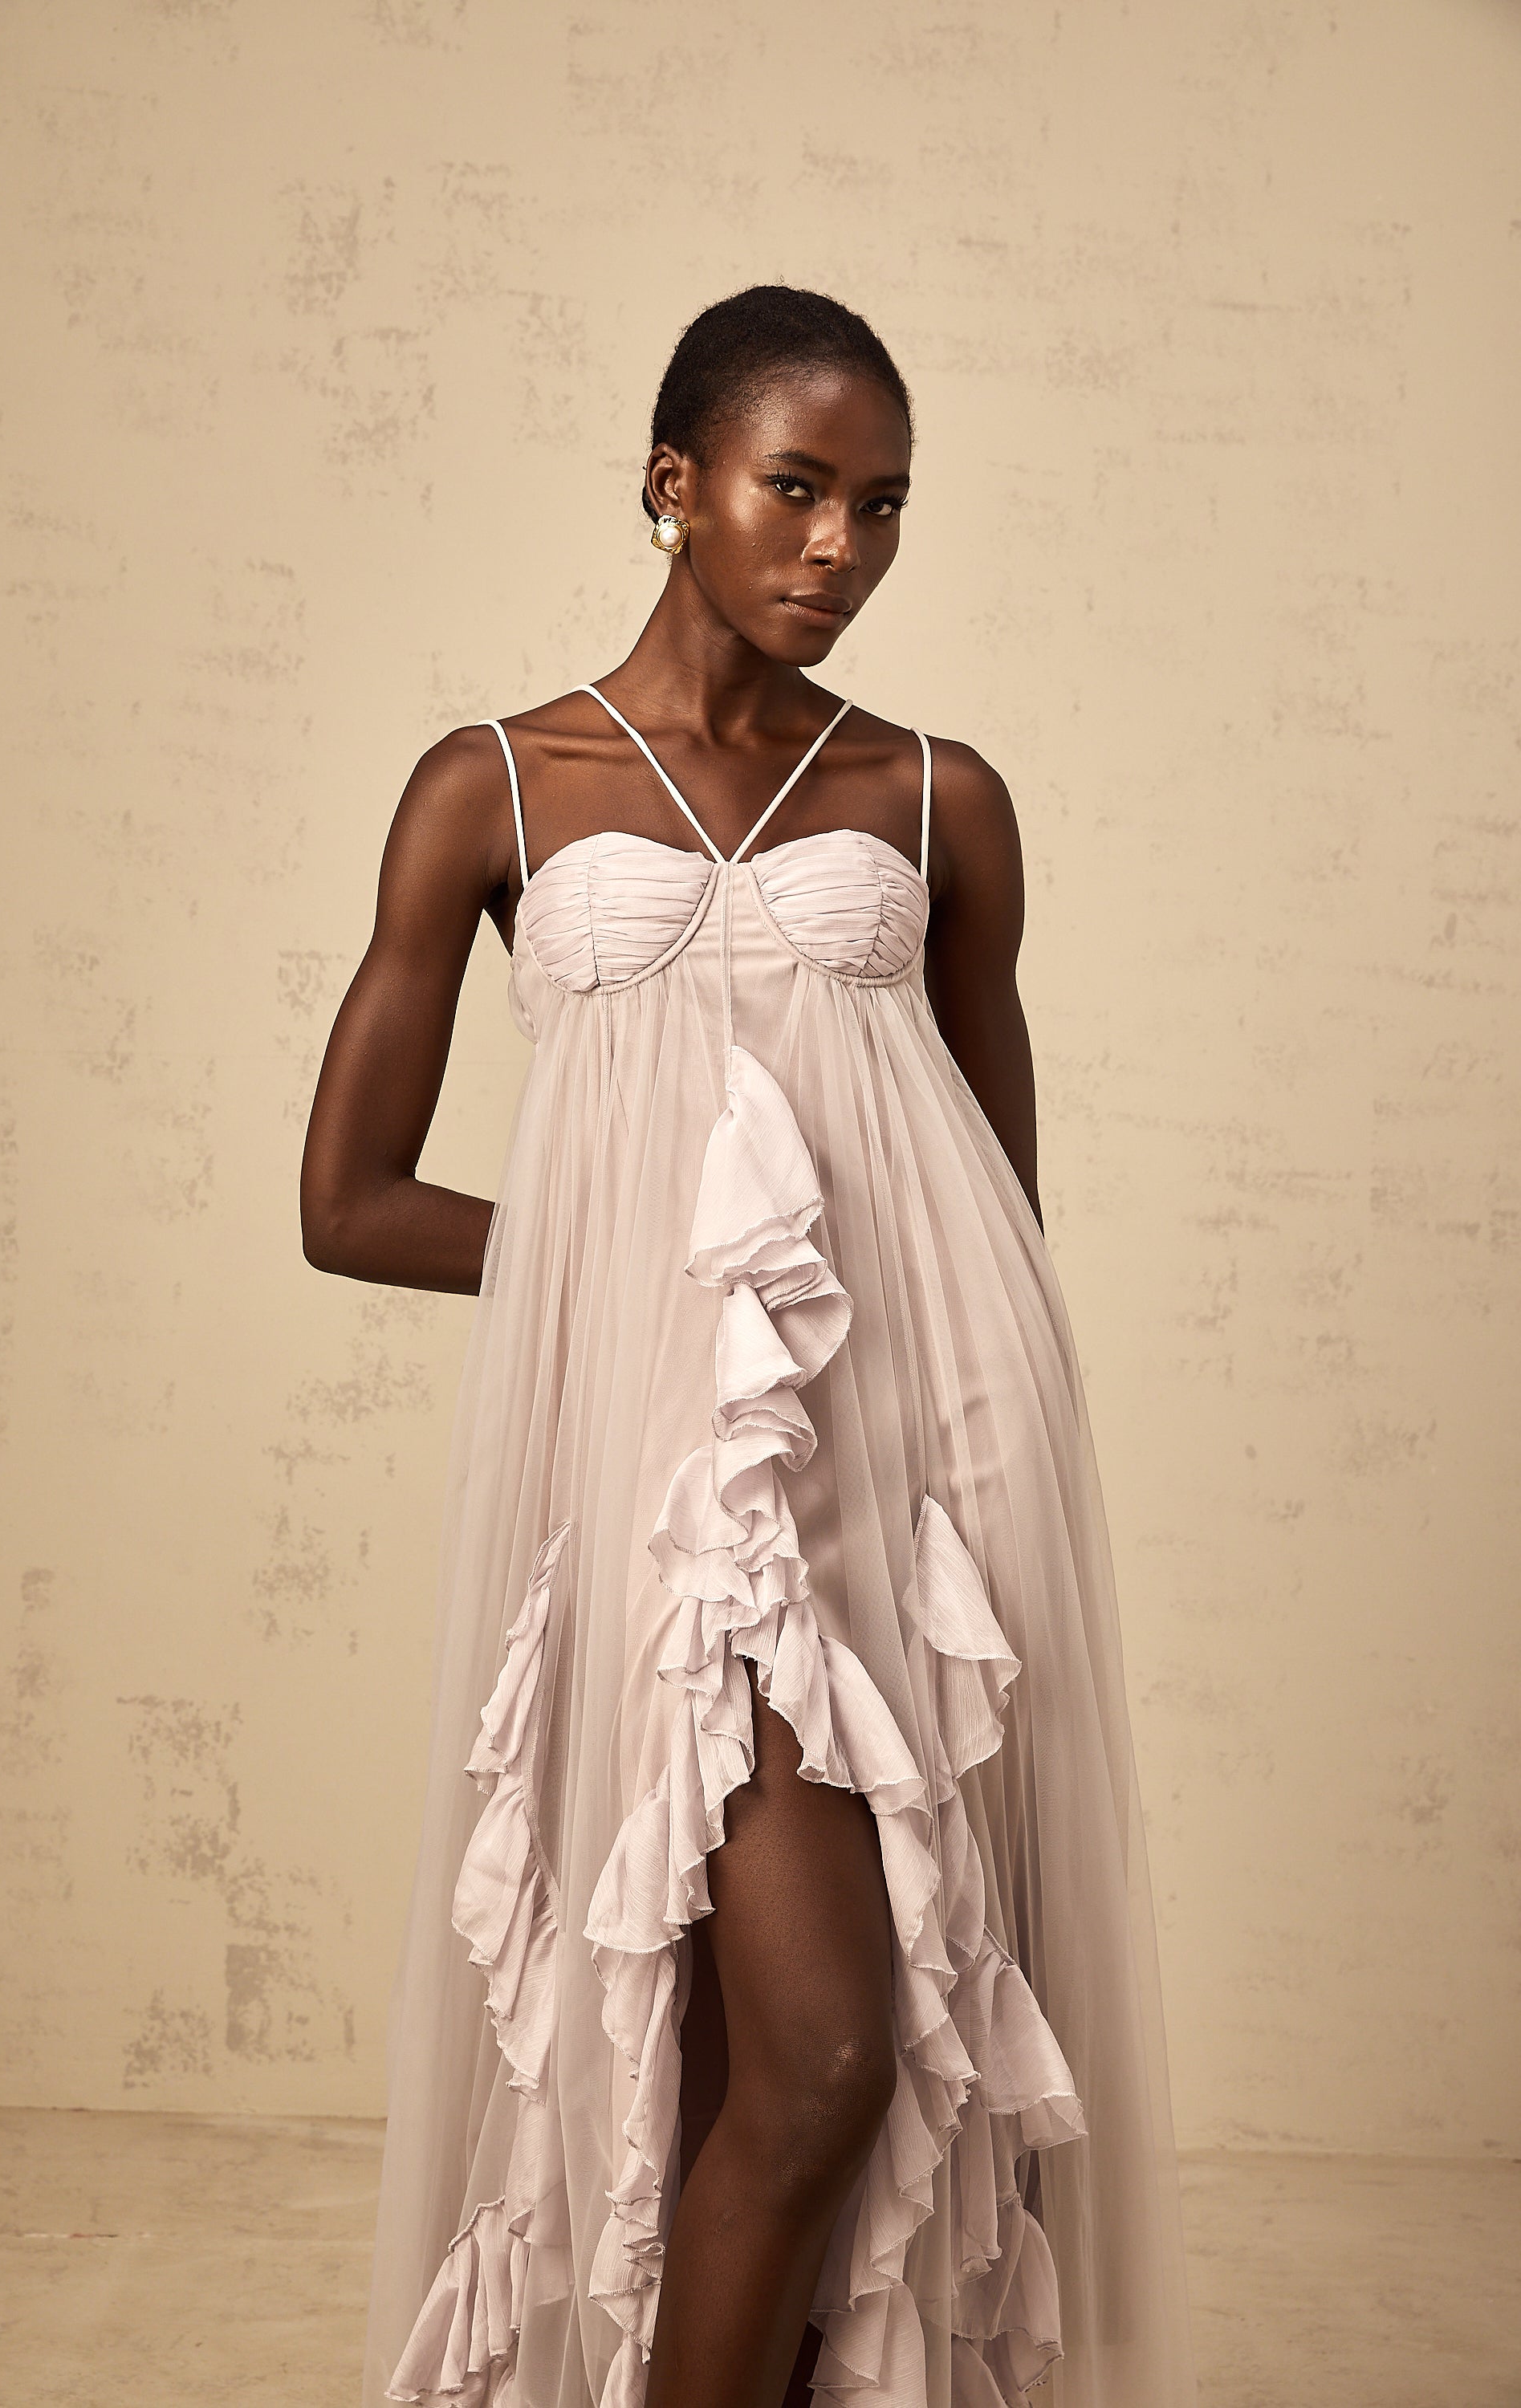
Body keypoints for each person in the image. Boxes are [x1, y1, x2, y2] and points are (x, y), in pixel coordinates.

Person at [301, 285, 1199, 2408]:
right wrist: (643, 1281)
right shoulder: (495, 789)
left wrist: (993, 1533)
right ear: (671, 485)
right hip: (669, 1507)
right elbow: (350, 1199)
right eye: (796, 487)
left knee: (857, 2087)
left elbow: (996, 1215)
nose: (838, 546)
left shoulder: (936, 799)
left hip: (917, 1502)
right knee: (793, 2058)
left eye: (881, 506)